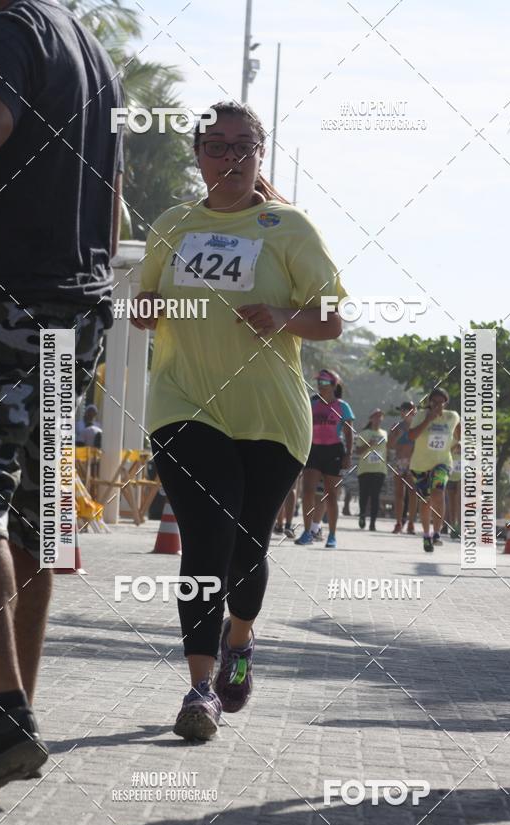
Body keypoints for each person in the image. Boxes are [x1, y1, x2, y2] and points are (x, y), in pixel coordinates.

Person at [131, 101, 346, 741]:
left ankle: (241, 637)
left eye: (241, 147)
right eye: (215, 146)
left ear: (260, 153)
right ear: (197, 155)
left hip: (270, 413)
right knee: (205, 536)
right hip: (183, 403)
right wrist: (143, 306)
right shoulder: (171, 224)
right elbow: (146, 302)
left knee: (247, 544)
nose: (228, 158)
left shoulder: (288, 226)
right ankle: (200, 689)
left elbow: (330, 316)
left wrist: (284, 318)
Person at [0, 0, 123, 798]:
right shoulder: (90, 52)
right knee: (35, 519)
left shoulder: (5, 32)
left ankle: (0, 714)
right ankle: (16, 717)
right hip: (76, 312)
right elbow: (114, 203)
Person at [295, 370, 354, 549]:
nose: (321, 384)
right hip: (314, 449)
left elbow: (348, 432)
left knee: (331, 495)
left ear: (334, 385)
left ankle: (332, 535)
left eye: (325, 382)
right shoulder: (312, 404)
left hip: (334, 451)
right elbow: (304, 427)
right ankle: (307, 532)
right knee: (307, 492)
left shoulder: (342, 406)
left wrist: (348, 454)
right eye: (319, 381)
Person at [408, 388, 461, 553]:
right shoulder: (421, 415)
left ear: (446, 403)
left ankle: (437, 533)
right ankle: (426, 534)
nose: (438, 405)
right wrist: (428, 420)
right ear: (429, 402)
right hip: (420, 465)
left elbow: (459, 431)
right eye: (434, 402)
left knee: (438, 493)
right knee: (426, 501)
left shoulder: (451, 416)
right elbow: (412, 436)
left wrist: (458, 442)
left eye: (441, 402)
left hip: (442, 462)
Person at [387, 401, 417, 534]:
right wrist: (397, 436)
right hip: (399, 462)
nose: (403, 412)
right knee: (399, 494)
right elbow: (389, 445)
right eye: (402, 410)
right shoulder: (396, 426)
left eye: (406, 410)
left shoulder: (418, 426)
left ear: (413, 411)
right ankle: (398, 522)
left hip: (414, 462)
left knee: (412, 493)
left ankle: (411, 523)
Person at [356, 409, 388, 531]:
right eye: (376, 416)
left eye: (380, 416)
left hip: (380, 469)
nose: (378, 419)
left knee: (375, 496)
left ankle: (373, 523)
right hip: (365, 469)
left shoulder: (384, 433)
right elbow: (358, 451)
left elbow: (387, 450)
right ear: (371, 418)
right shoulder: (364, 433)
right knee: (364, 495)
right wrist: (369, 444)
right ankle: (362, 515)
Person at [446, 442, 462, 539]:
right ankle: (453, 527)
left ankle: (460, 526)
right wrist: (454, 446)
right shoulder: (451, 439)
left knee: (460, 500)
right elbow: (445, 453)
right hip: (451, 475)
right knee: (452, 503)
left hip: (462, 476)